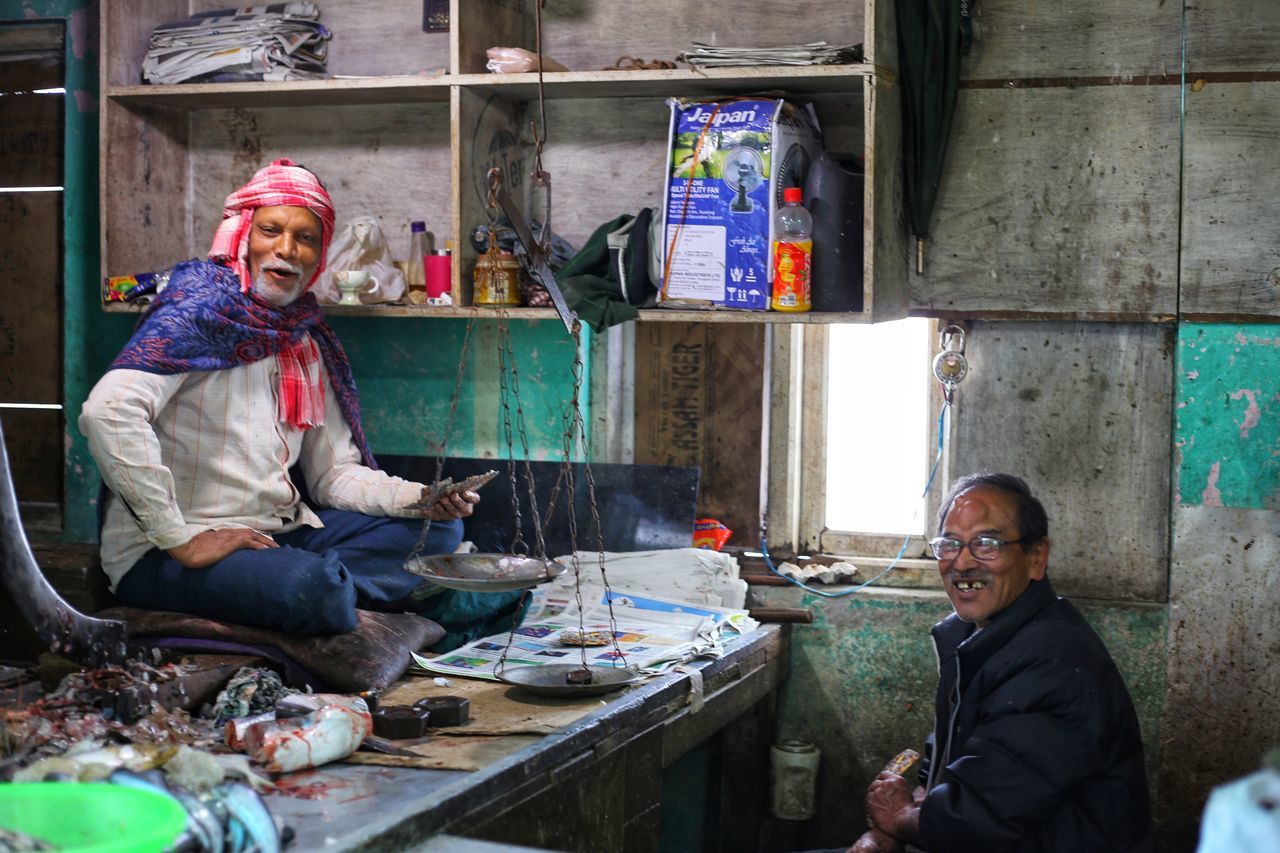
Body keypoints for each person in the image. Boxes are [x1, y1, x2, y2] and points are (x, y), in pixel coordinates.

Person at [80, 158, 516, 646]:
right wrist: (180, 538)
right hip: (166, 552)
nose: (286, 249)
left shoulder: (301, 337)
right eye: (271, 230)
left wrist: (419, 500)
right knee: (311, 588)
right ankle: (318, 591)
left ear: (320, 253)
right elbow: (107, 413)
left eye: (305, 238)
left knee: (436, 539)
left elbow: (333, 476)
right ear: (243, 233)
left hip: (273, 535)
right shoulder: (195, 311)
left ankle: (313, 590)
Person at [850, 472, 1154, 853]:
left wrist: (900, 820)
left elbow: (979, 820)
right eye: (950, 544)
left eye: (986, 544)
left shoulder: (1050, 661)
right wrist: (890, 833)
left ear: (1036, 558)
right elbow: (947, 770)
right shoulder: (973, 638)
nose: (962, 563)